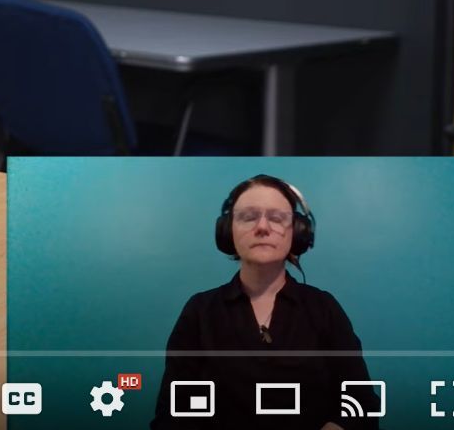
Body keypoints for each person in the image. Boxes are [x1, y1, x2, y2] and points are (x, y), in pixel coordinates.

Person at [151, 175, 380, 429]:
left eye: (277, 218)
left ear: (298, 231)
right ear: (227, 231)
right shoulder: (200, 311)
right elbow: (171, 416)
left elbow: (363, 406)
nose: (262, 227)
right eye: (248, 217)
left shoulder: (323, 309)